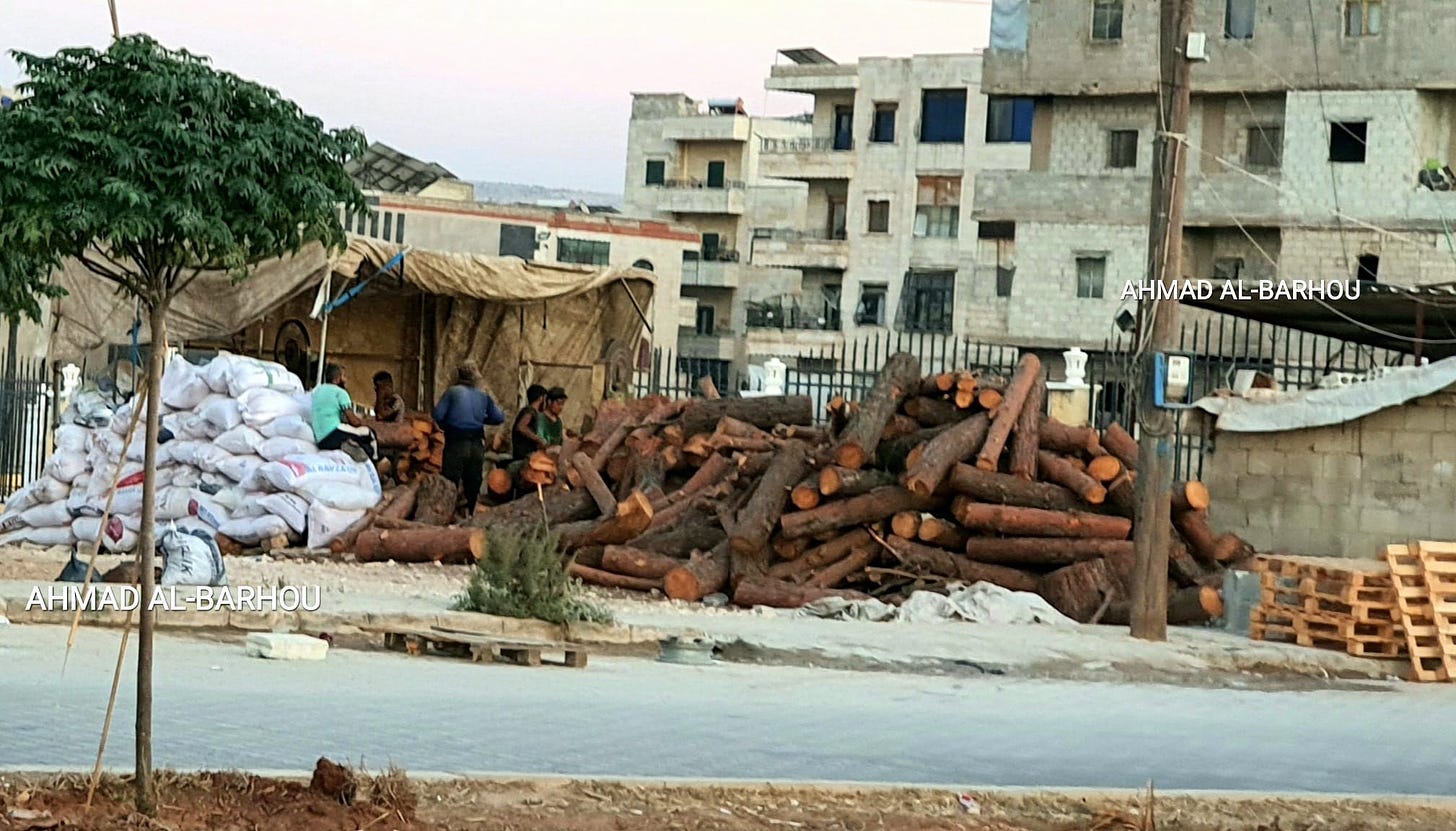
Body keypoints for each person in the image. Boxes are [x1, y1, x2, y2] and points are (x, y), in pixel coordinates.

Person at [432, 362, 506, 517]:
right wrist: (480, 419)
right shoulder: (483, 395)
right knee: (473, 484)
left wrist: (448, 424)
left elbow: (437, 415)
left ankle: (446, 516)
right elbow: (499, 417)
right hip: (477, 444)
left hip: (456, 443)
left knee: (450, 482)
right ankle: (470, 514)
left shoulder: (452, 392)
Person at [312, 363, 377, 462]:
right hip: (334, 434)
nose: (345, 379)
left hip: (321, 440)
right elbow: (354, 421)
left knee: (353, 434)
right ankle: (376, 464)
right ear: (337, 379)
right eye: (343, 376)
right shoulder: (341, 393)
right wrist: (364, 423)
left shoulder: (317, 391)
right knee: (369, 434)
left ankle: (350, 445)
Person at [511, 384, 549, 461]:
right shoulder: (530, 411)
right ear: (541, 398)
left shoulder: (532, 412)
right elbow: (521, 427)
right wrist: (538, 439)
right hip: (524, 454)